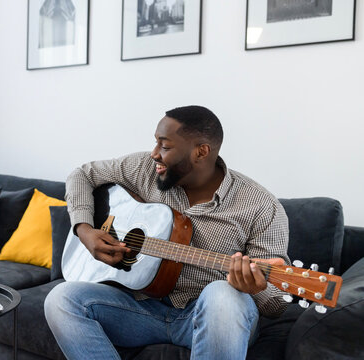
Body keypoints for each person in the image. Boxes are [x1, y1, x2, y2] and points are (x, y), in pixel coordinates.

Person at [44, 105, 290, 359]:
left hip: (208, 317)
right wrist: (84, 230)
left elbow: (277, 303)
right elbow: (82, 175)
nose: (154, 154)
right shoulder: (143, 169)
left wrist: (254, 287)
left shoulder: (262, 206)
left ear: (200, 152)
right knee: (61, 299)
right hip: (138, 310)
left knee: (223, 294)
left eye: (165, 146)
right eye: (155, 143)